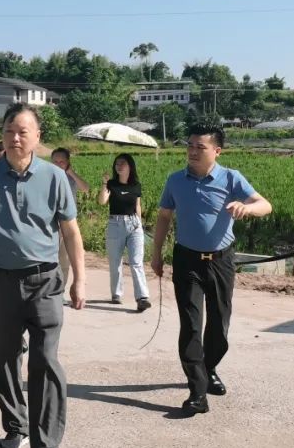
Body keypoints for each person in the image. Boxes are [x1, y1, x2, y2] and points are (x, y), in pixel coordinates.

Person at [0, 104, 86, 448]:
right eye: (8, 131)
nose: (14, 138)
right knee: (2, 360)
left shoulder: (54, 177)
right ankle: (15, 426)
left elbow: (70, 232)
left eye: (22, 131)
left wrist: (80, 278)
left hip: (45, 282)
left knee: (45, 362)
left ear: (37, 136)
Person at [151, 124, 272, 415]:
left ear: (217, 151)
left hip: (220, 261)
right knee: (191, 325)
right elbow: (164, 216)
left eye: (200, 147)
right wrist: (156, 254)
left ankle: (209, 367)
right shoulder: (175, 180)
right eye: (190, 145)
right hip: (186, 260)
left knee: (219, 325)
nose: (192, 151)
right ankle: (197, 391)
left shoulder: (231, 178)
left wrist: (247, 208)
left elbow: (264, 204)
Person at [98, 153, 152, 312]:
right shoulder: (111, 184)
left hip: (134, 225)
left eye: (122, 163)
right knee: (115, 261)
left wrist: (140, 224)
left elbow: (138, 206)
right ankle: (116, 294)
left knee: (136, 262)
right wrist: (104, 184)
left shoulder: (136, 185)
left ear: (130, 166)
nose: (119, 166)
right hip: (115, 224)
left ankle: (142, 298)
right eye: (117, 163)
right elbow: (102, 201)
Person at [50, 147, 90, 297]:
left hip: (67, 225)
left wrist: (70, 172)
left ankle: (59, 293)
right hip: (49, 224)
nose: (58, 164)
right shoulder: (46, 176)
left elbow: (85, 188)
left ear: (68, 162)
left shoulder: (71, 177)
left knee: (64, 261)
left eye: (62, 162)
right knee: (48, 260)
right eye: (55, 161)